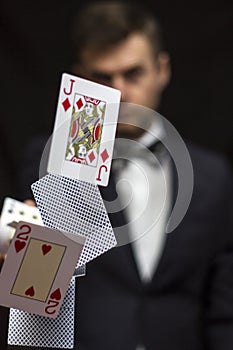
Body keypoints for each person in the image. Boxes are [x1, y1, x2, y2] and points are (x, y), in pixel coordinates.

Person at [17, 2, 233, 350]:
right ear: (81, 80)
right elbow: (36, 303)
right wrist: (29, 262)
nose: (119, 93)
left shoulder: (214, 177)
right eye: (103, 78)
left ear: (162, 70)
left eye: (133, 74)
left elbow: (226, 309)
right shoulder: (50, 163)